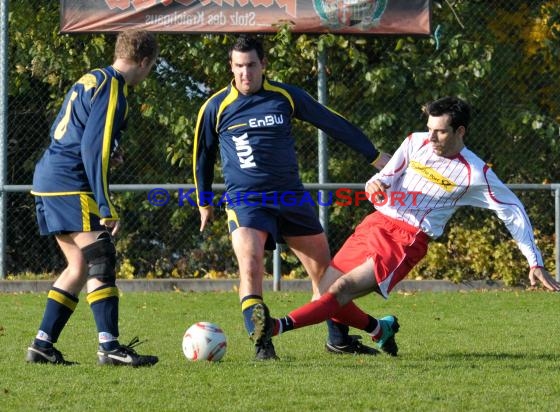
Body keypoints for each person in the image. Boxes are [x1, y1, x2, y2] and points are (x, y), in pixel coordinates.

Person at [251, 96, 560, 356]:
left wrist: (534, 260)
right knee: (323, 296)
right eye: (429, 129)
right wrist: (375, 185)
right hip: (374, 224)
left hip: (405, 239)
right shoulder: (415, 142)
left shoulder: (475, 174)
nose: (431, 138)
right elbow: (386, 175)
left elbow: (513, 211)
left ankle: (274, 327)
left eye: (440, 132)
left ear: (460, 131)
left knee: (340, 290)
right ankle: (380, 329)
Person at [192, 34, 390, 360]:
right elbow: (202, 155)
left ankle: (338, 340)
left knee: (327, 277)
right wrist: (203, 202)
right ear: (231, 66)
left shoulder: (284, 96)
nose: (245, 73)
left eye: (251, 65)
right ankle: (261, 344)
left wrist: (374, 155)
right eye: (239, 66)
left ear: (263, 64)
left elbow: (330, 122)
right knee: (251, 265)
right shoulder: (215, 107)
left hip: (291, 199)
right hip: (246, 201)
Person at [26, 29, 160, 366]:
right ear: (144, 61)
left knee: (80, 264)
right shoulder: (114, 85)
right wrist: (105, 204)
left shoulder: (93, 78)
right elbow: (91, 148)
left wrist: (107, 151)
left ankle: (42, 344)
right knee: (101, 254)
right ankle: (109, 347)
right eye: (152, 66)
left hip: (49, 178)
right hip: (70, 182)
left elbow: (73, 131)